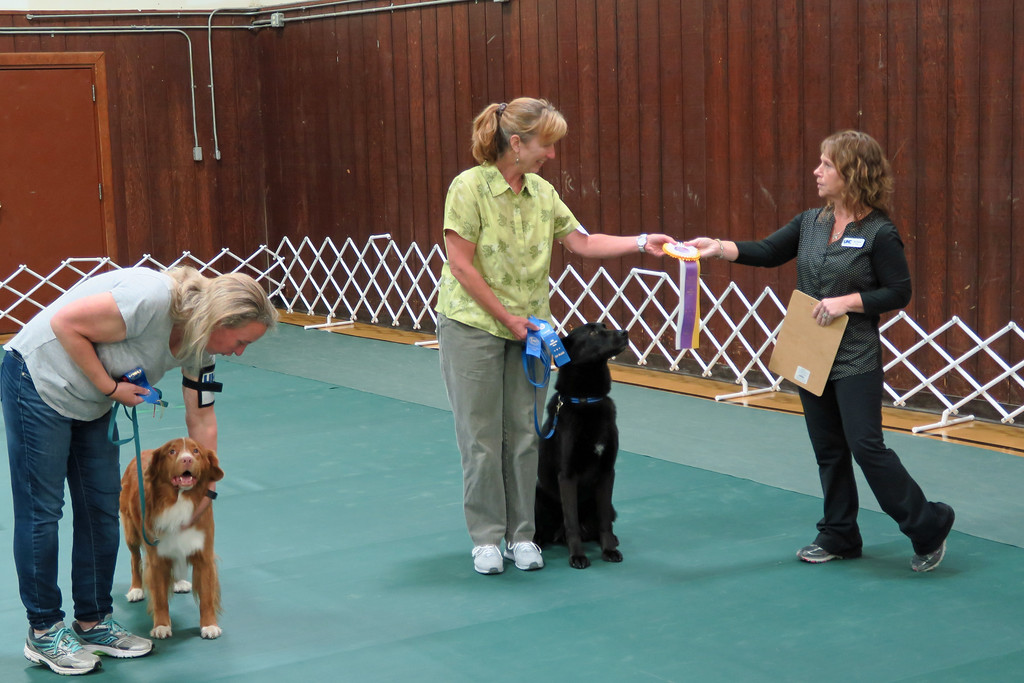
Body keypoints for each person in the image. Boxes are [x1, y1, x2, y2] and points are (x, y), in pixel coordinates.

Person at [684, 130, 955, 572]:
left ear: (851, 172)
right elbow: (769, 252)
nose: (817, 171)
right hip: (810, 351)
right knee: (827, 448)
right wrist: (717, 248)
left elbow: (899, 292)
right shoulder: (811, 221)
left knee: (866, 446)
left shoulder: (880, 233)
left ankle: (927, 523)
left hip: (855, 356)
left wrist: (847, 302)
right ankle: (840, 533)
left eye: (826, 164)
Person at [436, 97, 676, 575]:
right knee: (481, 437)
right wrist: (506, 318)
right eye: (546, 144)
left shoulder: (543, 193)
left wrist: (642, 242)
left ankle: (523, 534)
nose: (551, 154)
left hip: (530, 334)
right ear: (517, 143)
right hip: (473, 326)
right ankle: (486, 538)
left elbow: (582, 242)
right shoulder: (468, 187)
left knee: (526, 434)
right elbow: (459, 264)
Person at [1, 265, 278, 675]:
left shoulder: (200, 345)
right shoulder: (151, 298)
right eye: (240, 342)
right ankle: (43, 631)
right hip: (38, 381)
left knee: (100, 507)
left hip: (92, 397)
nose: (239, 352)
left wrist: (206, 491)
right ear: (221, 320)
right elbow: (65, 323)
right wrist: (111, 388)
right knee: (43, 512)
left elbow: (201, 419)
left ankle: (93, 621)